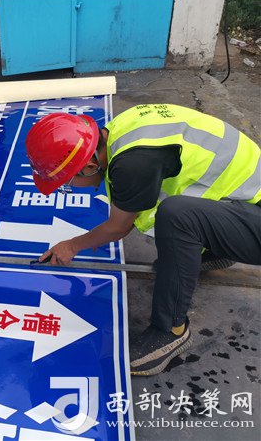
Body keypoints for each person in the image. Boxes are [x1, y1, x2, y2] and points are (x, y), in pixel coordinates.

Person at [25, 104, 261, 376]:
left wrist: (71, 245)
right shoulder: (122, 128)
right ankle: (217, 247)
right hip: (244, 200)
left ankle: (170, 330)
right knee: (178, 235)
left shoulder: (132, 164)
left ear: (88, 167)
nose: (68, 187)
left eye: (66, 182)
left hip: (254, 215)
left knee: (178, 217)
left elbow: (118, 227)